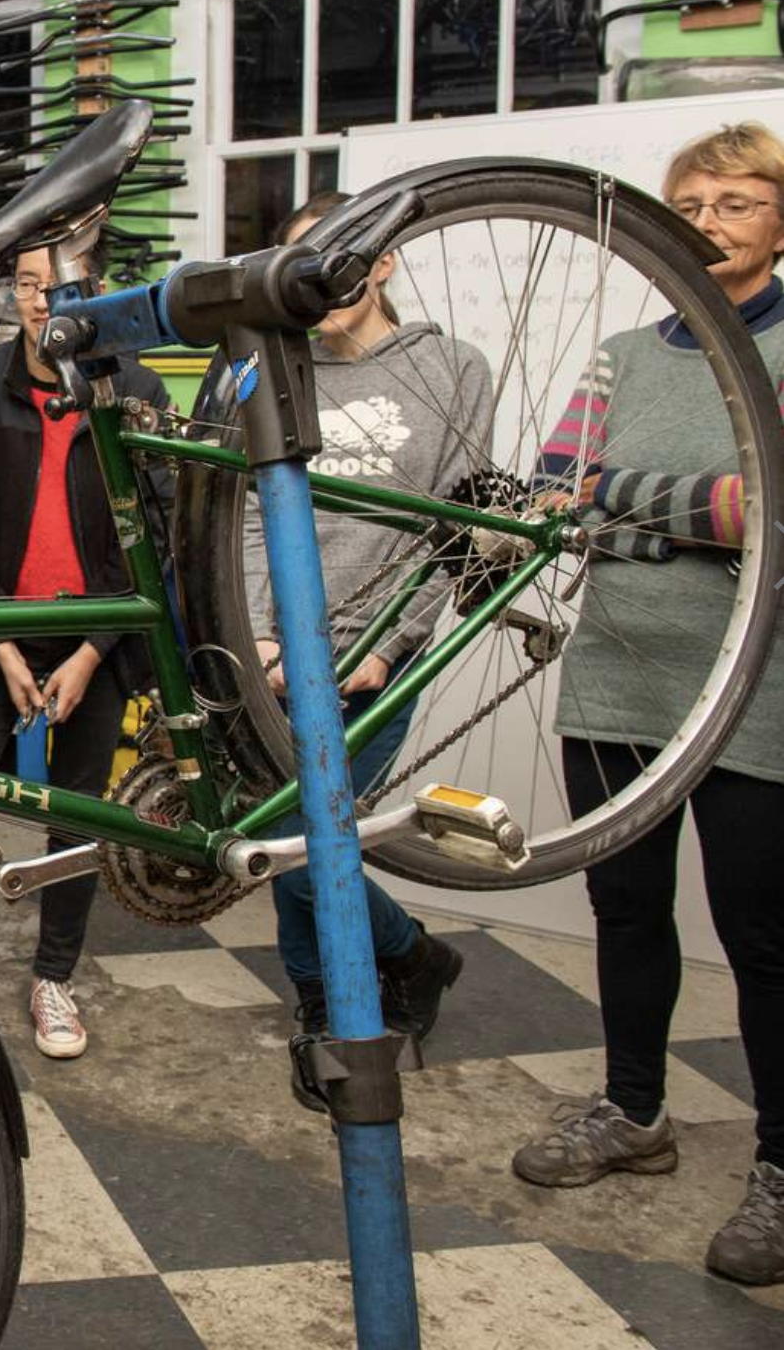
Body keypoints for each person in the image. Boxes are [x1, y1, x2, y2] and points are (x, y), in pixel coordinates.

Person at [510, 122, 784, 1287]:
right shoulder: (623, 351)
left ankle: (780, 1167)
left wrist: (628, 500)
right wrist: (707, 502)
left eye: (736, 203)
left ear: (780, 223)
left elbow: (765, 509)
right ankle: (634, 1112)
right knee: (627, 910)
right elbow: (550, 492)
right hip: (615, 682)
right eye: (690, 204)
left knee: (765, 939)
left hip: (757, 692)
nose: (709, 224)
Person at [232, 192, 493, 1101]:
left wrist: (394, 642)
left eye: (345, 257)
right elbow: (253, 521)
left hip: (377, 652)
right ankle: (342, 996)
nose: (323, 279)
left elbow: (457, 525)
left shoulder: (452, 370)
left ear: (383, 262)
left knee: (307, 841)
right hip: (272, 648)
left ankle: (394, 969)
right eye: (303, 262)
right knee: (289, 836)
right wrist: (259, 632)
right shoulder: (275, 367)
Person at [0, 244, 170, 1060]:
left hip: (97, 640)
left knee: (78, 813)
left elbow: (151, 535)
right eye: (26, 285)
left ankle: (53, 977)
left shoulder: (134, 390)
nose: (39, 301)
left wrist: (94, 647)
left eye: (57, 287)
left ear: (94, 293)